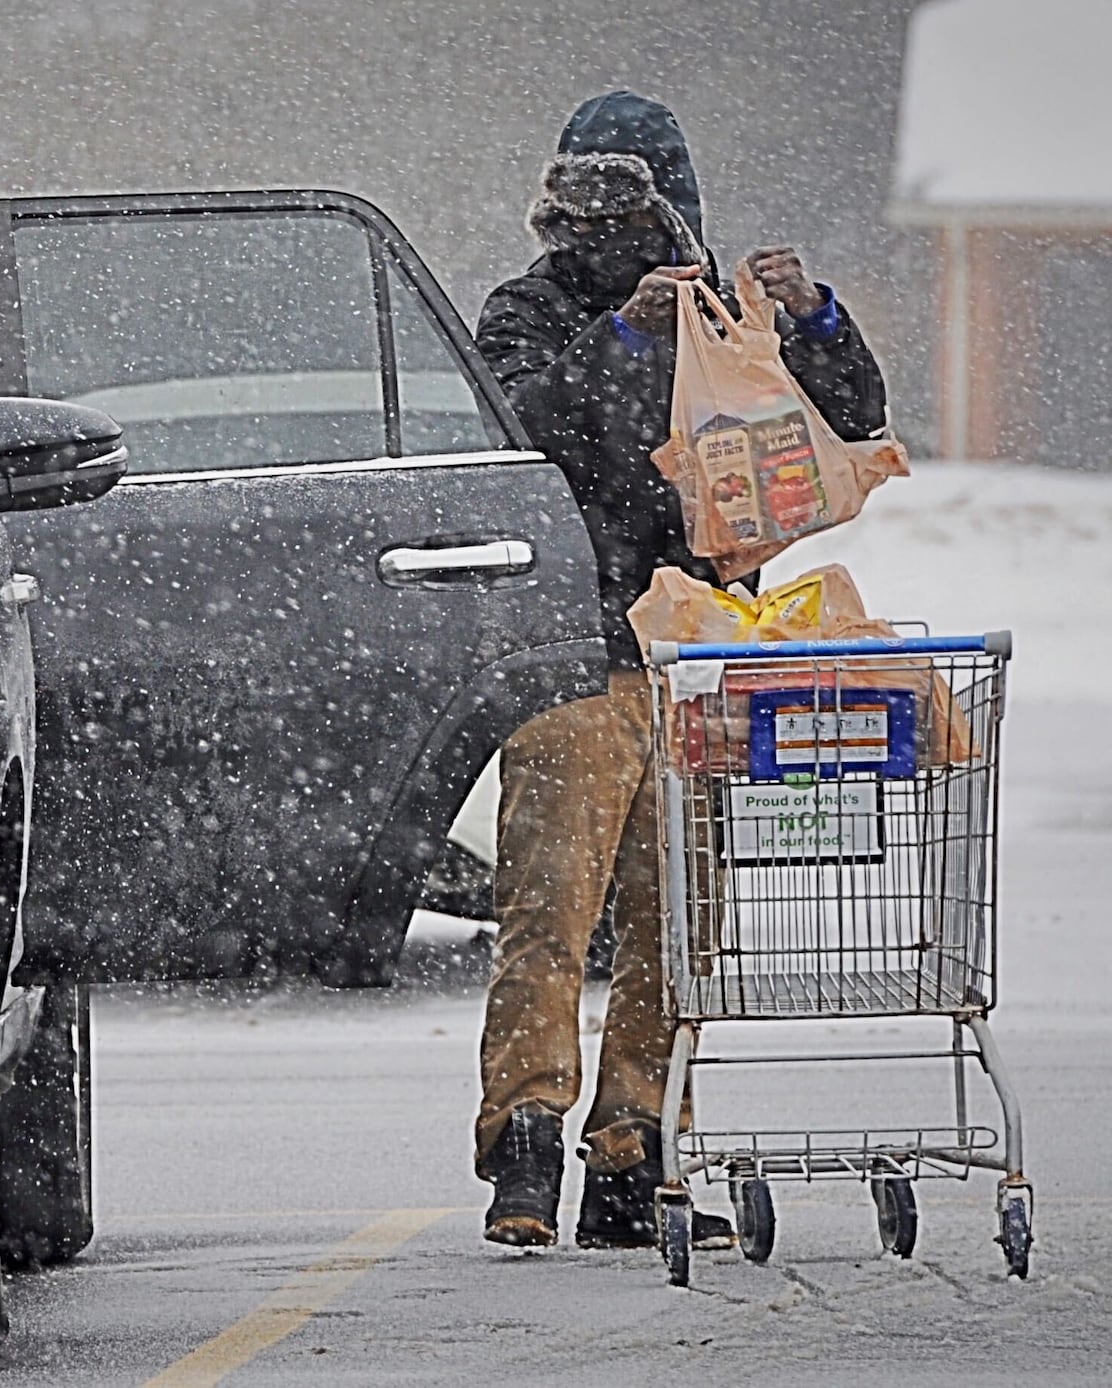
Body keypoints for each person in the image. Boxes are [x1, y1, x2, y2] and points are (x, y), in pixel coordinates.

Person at [473, 90, 888, 1248]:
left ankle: (632, 1156)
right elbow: (521, 429)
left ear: (673, 201)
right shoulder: (526, 311)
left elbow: (847, 417)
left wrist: (811, 319)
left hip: (700, 657)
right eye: (589, 195)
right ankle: (522, 1149)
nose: (609, 222)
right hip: (574, 656)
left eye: (633, 194)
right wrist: (621, 340)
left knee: (676, 928)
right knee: (549, 918)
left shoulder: (718, 312)